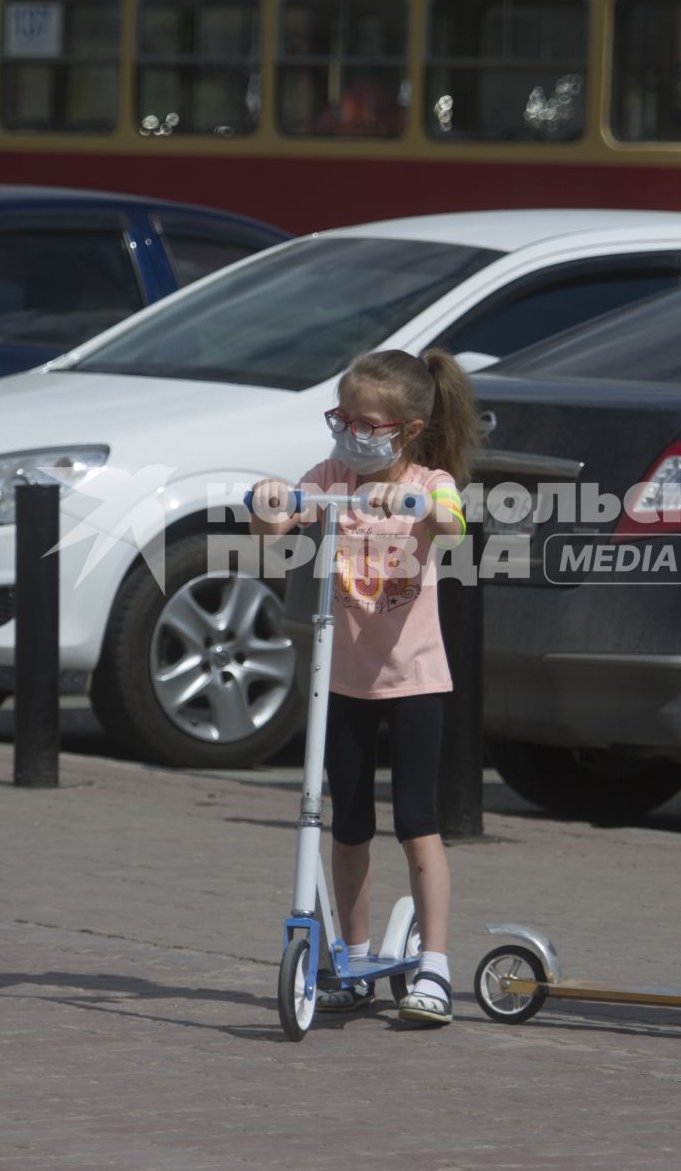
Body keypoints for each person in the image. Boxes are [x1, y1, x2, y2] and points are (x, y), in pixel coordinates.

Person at [249, 349, 477, 1025]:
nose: (350, 430)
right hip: (341, 681)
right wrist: (269, 506)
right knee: (346, 824)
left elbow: (453, 524)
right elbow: (276, 529)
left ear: (405, 429)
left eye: (366, 421)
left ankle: (434, 964)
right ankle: (352, 954)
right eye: (342, 417)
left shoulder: (430, 479)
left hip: (413, 680)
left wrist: (414, 504)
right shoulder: (331, 476)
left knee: (417, 821)